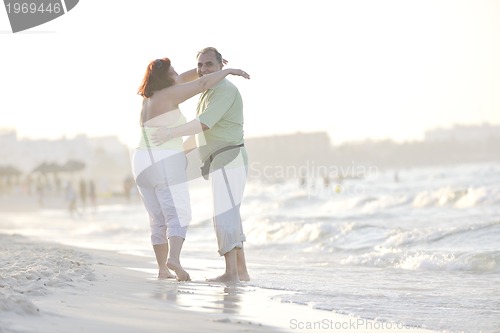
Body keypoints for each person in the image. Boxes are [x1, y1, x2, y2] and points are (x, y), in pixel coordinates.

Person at [132, 57, 249, 281]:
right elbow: (202, 85)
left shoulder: (150, 97)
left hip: (140, 159)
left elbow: (188, 78)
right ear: (166, 78)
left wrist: (201, 70)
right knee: (179, 214)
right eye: (173, 71)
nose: (178, 74)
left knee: (157, 219)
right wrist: (229, 71)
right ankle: (174, 259)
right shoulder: (169, 95)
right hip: (163, 159)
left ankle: (162, 269)